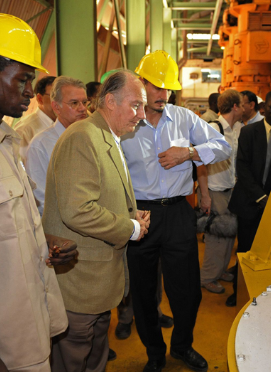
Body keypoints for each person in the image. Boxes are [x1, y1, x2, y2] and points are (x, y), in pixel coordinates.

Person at [0, 13, 77, 372]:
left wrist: (47, 241)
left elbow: (2, 227)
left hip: (28, 328)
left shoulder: (4, 140)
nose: (29, 91)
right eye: (23, 79)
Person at [122, 50, 231, 372]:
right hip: (139, 215)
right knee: (142, 293)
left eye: (168, 88)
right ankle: (154, 354)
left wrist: (191, 152)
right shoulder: (126, 123)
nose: (162, 94)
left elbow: (223, 146)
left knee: (186, 291)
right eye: (156, 86)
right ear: (140, 84)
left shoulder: (183, 118)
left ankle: (182, 346)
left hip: (179, 213)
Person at [43, 70, 150, 372]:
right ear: (110, 101)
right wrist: (130, 228)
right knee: (74, 359)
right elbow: (77, 210)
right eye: (135, 105)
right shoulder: (83, 137)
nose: (141, 115)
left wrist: (131, 215)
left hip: (99, 283)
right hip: (81, 285)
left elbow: (101, 194)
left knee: (95, 357)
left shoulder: (107, 135)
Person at [225, 90, 271, 307]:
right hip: (250, 203)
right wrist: (261, 197)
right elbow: (241, 167)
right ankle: (238, 292)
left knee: (270, 254)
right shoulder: (249, 132)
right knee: (244, 250)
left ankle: (264, 294)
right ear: (263, 107)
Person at [196, 89, 244, 294]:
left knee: (228, 235)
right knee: (216, 237)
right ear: (234, 107)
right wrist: (204, 196)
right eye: (241, 105)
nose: (244, 108)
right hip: (214, 191)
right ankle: (207, 277)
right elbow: (200, 163)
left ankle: (220, 270)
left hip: (229, 190)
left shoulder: (237, 129)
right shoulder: (213, 128)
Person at [25, 76, 88, 215]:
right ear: (56, 107)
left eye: (84, 102)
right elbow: (41, 200)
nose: (83, 108)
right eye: (74, 103)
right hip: (61, 230)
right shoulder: (41, 146)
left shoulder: (91, 138)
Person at [15, 75, 57, 161]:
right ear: (40, 99)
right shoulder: (25, 130)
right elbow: (23, 168)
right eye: (54, 96)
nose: (60, 102)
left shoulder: (67, 123)